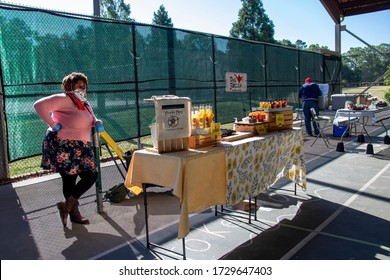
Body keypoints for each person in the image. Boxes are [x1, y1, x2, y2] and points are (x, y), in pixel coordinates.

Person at [34, 72, 104, 227]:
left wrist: (96, 122)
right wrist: (53, 124)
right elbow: (39, 105)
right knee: (69, 179)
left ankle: (67, 207)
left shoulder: (84, 102)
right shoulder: (64, 99)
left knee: (91, 175)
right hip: (64, 144)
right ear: (68, 86)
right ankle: (74, 214)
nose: (81, 88)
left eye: (83, 85)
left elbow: (89, 119)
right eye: (77, 85)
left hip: (81, 145)